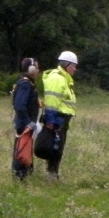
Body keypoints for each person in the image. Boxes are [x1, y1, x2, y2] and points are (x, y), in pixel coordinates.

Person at [41, 50, 78, 179]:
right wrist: (51, 120)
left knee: (58, 147)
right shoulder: (57, 78)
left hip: (61, 119)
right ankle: (51, 174)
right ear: (67, 65)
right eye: (74, 66)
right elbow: (52, 100)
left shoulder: (64, 79)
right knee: (55, 147)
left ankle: (53, 173)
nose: (75, 69)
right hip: (57, 119)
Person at [11, 57, 41, 180]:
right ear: (31, 69)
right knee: (22, 149)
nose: (38, 70)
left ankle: (24, 174)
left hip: (26, 123)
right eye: (37, 67)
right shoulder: (25, 84)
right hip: (25, 124)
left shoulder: (27, 83)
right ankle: (20, 176)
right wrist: (29, 122)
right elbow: (19, 106)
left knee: (25, 147)